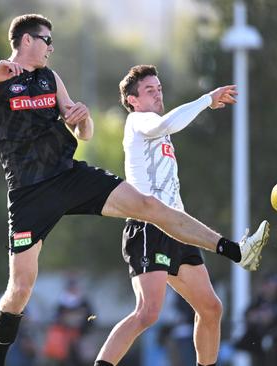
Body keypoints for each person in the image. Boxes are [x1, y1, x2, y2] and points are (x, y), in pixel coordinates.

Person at [0, 14, 270, 366]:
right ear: (27, 40)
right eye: (47, 40)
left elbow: (85, 134)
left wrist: (83, 119)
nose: (51, 47)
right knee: (20, 288)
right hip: (28, 191)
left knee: (148, 205)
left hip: (69, 175)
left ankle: (235, 250)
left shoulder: (50, 78)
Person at [93, 65, 241, 366]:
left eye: (159, 88)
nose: (158, 93)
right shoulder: (139, 121)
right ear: (132, 100)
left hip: (176, 227)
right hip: (149, 227)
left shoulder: (159, 124)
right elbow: (163, 126)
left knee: (211, 308)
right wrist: (206, 100)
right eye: (150, 90)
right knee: (147, 313)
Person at [235, 271, 277, 364]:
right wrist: (259, 317)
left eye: (272, 285)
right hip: (259, 349)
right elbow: (247, 314)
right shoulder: (258, 301)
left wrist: (271, 317)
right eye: (267, 284)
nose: (270, 288)